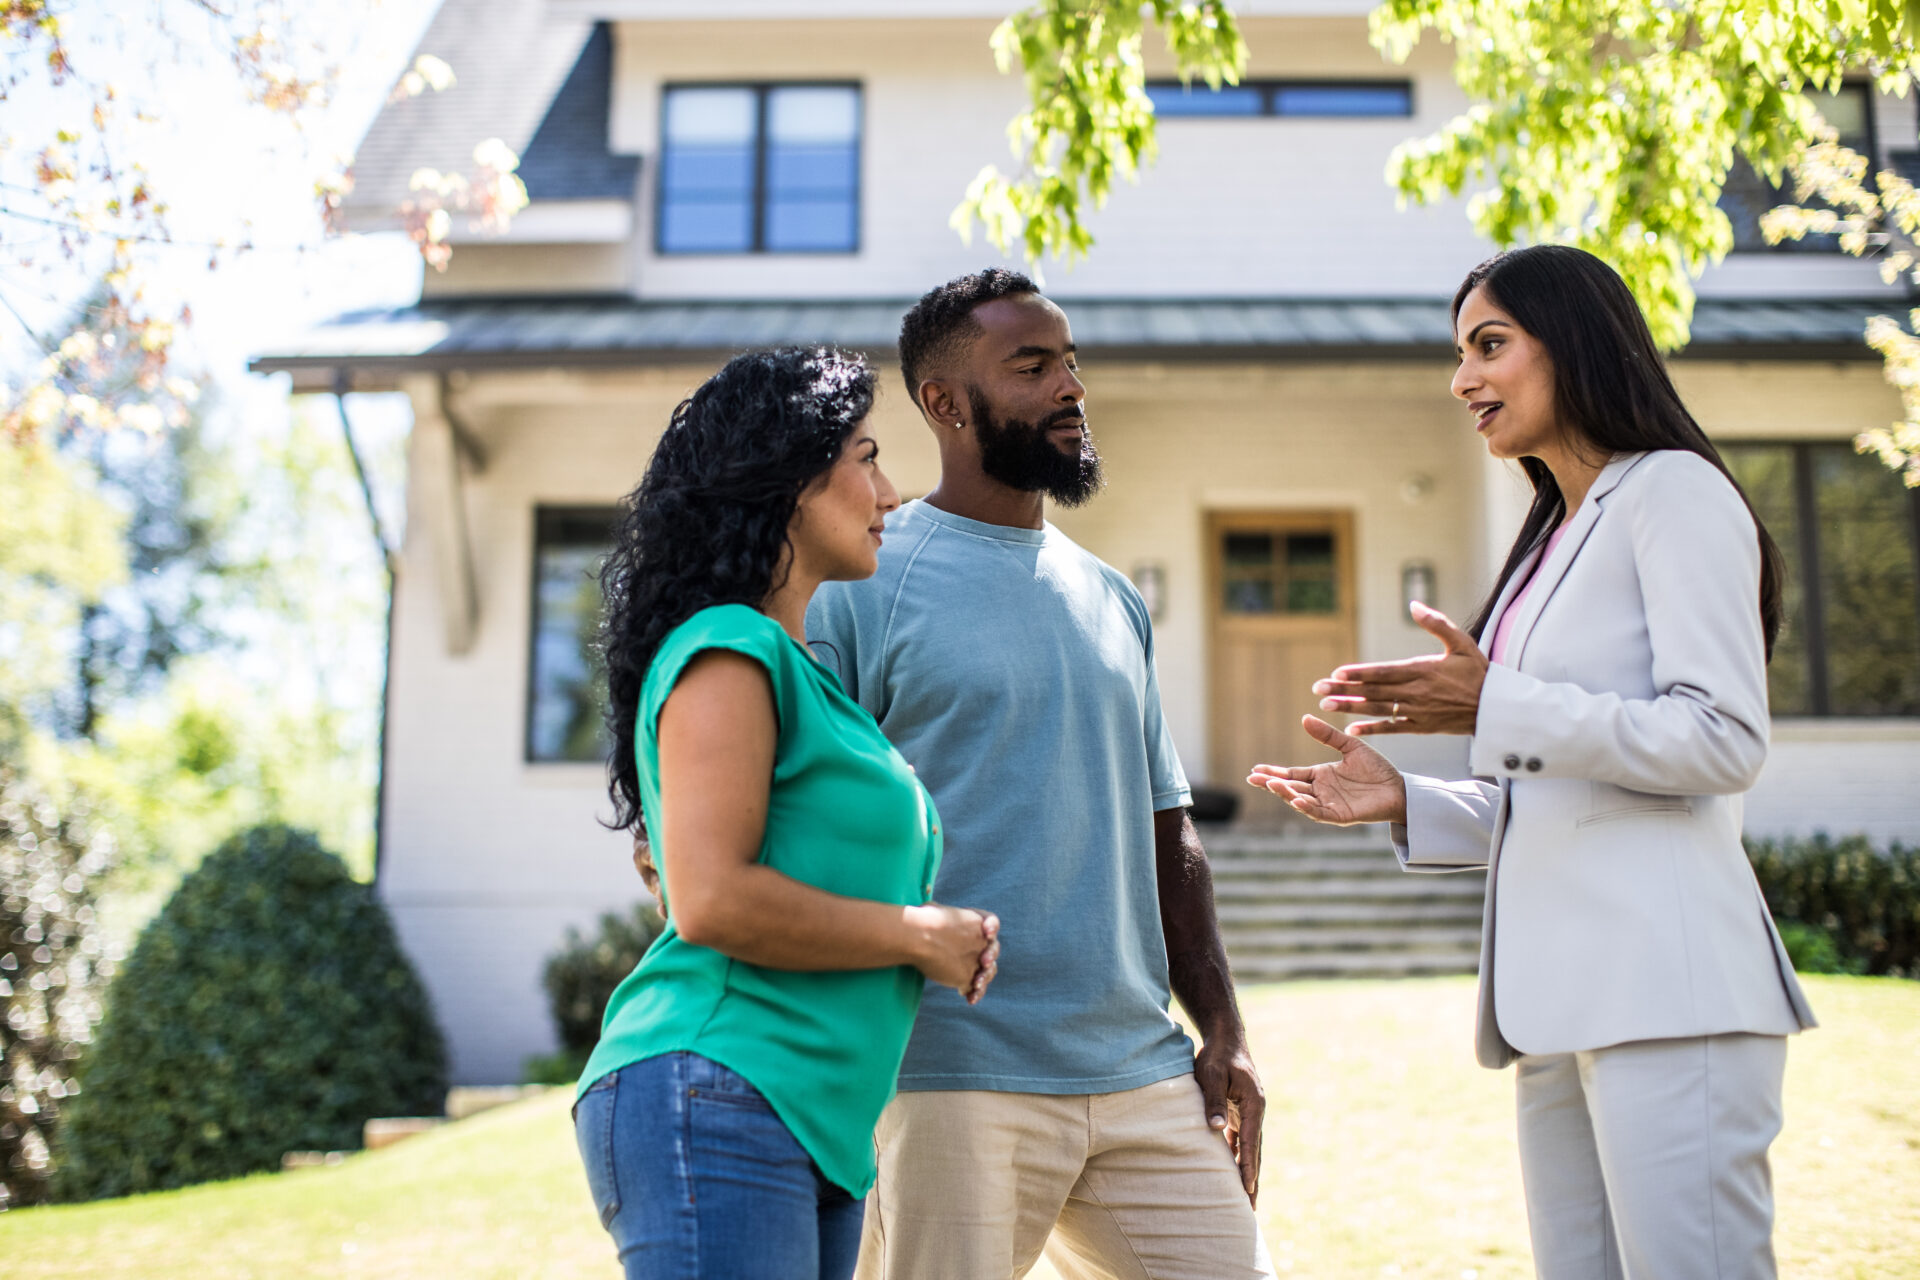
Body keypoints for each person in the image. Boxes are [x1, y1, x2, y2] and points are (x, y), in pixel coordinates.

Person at [1248, 245, 1816, 1280]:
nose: (1462, 378)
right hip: (1554, 1009)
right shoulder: (1549, 537)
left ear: (1581, 340)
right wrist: (1409, 799)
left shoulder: (1673, 492)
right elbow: (1563, 788)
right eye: (1459, 351)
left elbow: (1722, 738)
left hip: (1668, 990)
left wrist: (1492, 698)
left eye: (1490, 344)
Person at [807, 269, 1274, 1280]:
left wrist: (1224, 1031)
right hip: (950, 1069)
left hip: (1139, 1065)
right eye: (1031, 366)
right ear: (943, 403)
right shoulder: (862, 585)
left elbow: (1168, 828)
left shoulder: (1112, 597)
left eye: (1070, 363)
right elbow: (806, 816)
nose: (1069, 386)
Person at [575, 346, 1003, 1280]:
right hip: (719, 1083)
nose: (891, 493)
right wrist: (919, 934)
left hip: (811, 1122)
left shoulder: (811, 678)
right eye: (867, 457)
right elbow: (713, 902)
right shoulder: (730, 647)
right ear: (791, 479)